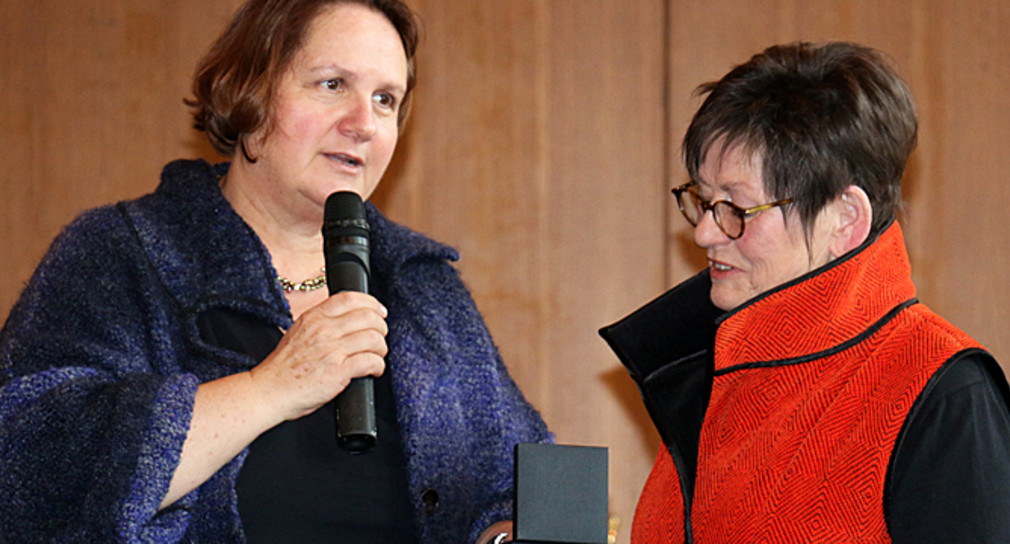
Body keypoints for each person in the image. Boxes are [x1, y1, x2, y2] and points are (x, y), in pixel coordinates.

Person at [0, 1, 550, 542]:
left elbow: (523, 487)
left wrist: (502, 533)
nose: (364, 124)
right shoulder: (119, 253)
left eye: (386, 100)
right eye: (333, 84)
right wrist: (272, 388)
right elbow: (26, 469)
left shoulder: (422, 285)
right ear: (252, 92)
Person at [600, 41, 1010, 543]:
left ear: (844, 219)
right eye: (704, 201)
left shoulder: (941, 392)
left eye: (737, 208)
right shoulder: (709, 377)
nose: (705, 233)